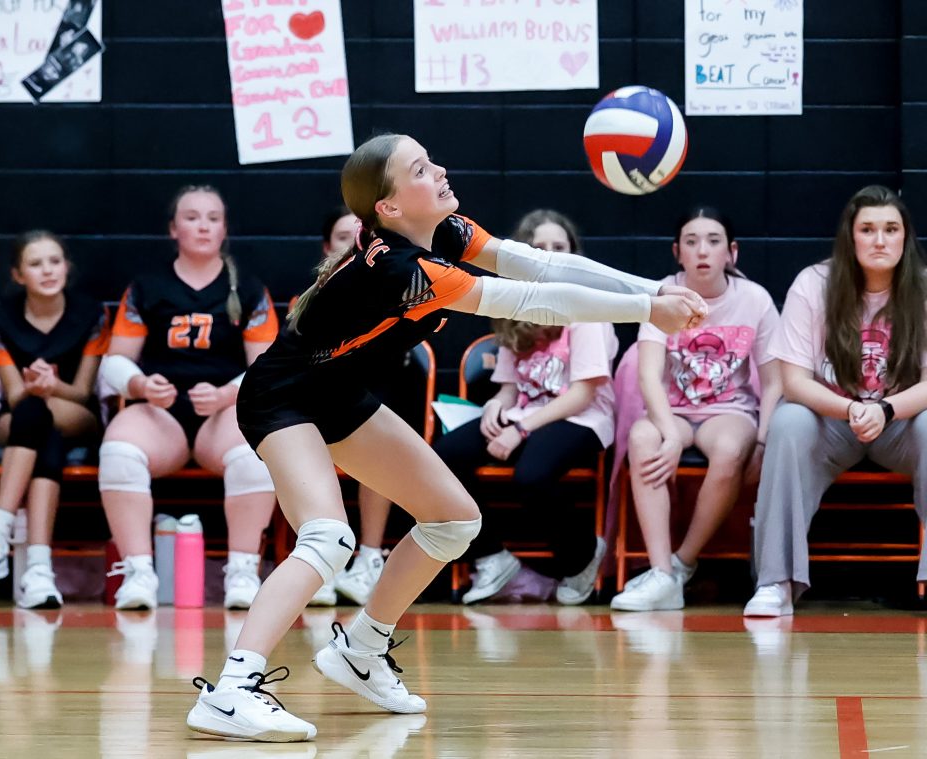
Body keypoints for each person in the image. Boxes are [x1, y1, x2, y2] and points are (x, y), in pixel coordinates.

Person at [185, 133, 706, 742]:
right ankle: (232, 691)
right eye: (420, 169)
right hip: (282, 398)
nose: (439, 170)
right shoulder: (409, 272)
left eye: (431, 160)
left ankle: (361, 650)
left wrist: (653, 290)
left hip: (339, 395)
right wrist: (645, 311)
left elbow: (542, 265)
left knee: (454, 520)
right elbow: (534, 301)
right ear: (389, 207)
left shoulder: (443, 231)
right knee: (328, 536)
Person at [744, 185, 927, 617]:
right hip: (832, 419)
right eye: (867, 229)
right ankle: (775, 583)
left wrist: (885, 410)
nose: (879, 240)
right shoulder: (814, 284)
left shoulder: (921, 288)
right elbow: (793, 382)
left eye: (890, 229)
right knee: (788, 421)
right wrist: (851, 409)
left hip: (899, 421)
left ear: (905, 237)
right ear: (850, 236)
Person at [97, 185, 279, 611]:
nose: (203, 226)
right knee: (119, 452)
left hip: (225, 412)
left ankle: (243, 572)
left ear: (224, 229)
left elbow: (268, 368)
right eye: (192, 217)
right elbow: (114, 362)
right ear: (173, 229)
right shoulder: (147, 287)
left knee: (256, 452)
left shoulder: (248, 289)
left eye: (213, 218)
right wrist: (141, 386)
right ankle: (138, 572)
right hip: (162, 412)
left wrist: (227, 394)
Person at [433, 209, 616, 605]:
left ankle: (583, 555)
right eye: (539, 248)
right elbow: (508, 391)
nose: (549, 256)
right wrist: (493, 407)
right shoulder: (517, 307)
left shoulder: (590, 310)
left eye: (559, 248)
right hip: (526, 415)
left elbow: (582, 394)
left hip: (580, 418)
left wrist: (521, 429)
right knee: (443, 458)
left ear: (574, 256)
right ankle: (493, 558)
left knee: (531, 475)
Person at [610, 207, 781, 612]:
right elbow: (648, 375)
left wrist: (763, 441)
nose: (702, 250)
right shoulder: (662, 295)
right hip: (673, 410)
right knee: (642, 437)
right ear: (677, 252)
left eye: (713, 241)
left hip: (729, 411)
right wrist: (669, 434)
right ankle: (660, 573)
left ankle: (682, 563)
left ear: (732, 252)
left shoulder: (754, 299)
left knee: (730, 450)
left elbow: (774, 381)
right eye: (691, 241)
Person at [0, 231, 110, 609]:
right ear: (18, 275)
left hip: (75, 413)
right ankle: (38, 571)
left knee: (39, 415)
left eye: (55, 261)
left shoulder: (92, 314)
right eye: (36, 264)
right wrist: (33, 387)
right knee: (37, 422)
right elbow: (13, 395)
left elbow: (82, 391)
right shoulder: (0, 318)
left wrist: (53, 386)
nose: (48, 270)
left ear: (66, 267)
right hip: (22, 412)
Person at [308, 206, 394, 607]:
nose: (353, 244)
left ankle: (370, 558)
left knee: (380, 442)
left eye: (361, 237)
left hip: (370, 405)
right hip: (315, 407)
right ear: (327, 247)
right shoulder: (308, 300)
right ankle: (321, 560)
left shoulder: (392, 290)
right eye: (343, 237)